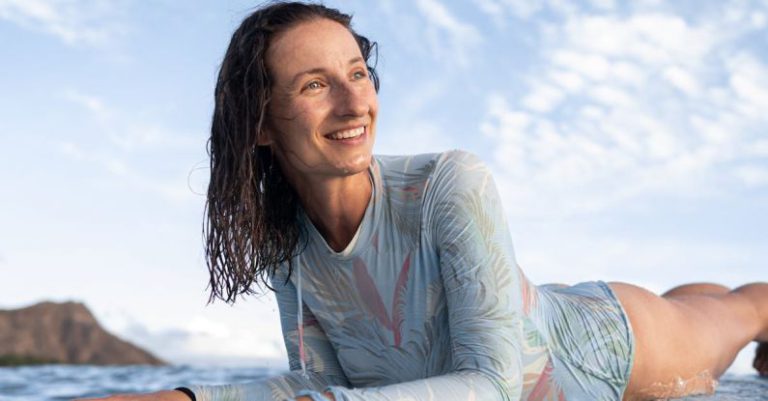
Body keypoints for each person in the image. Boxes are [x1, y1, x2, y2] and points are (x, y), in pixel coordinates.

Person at [83, 2, 767, 401]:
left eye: (358, 72)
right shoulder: (284, 241)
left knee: (737, 318)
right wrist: (184, 397)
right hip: (527, 308)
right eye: (316, 84)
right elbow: (314, 384)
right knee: (703, 299)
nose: (357, 102)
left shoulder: (448, 182)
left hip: (610, 345)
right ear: (261, 123)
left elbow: (494, 386)